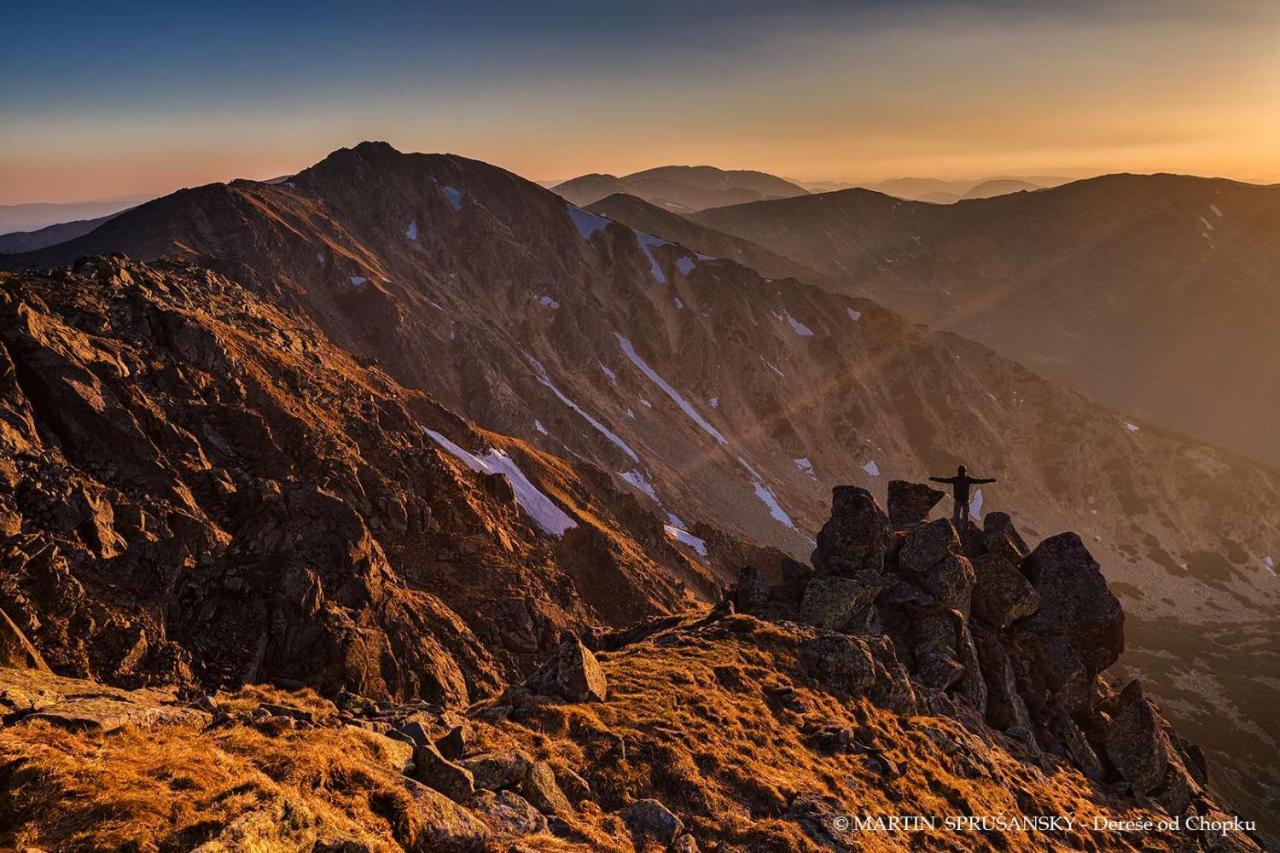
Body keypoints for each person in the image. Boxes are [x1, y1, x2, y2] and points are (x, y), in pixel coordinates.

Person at [929, 465, 996, 529]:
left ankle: (956, 527)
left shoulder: (955, 479)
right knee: (965, 515)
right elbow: (980, 481)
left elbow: (944, 480)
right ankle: (965, 528)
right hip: (965, 500)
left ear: (959, 471)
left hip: (958, 499)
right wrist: (990, 480)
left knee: (956, 515)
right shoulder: (967, 479)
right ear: (965, 471)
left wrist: (934, 479)